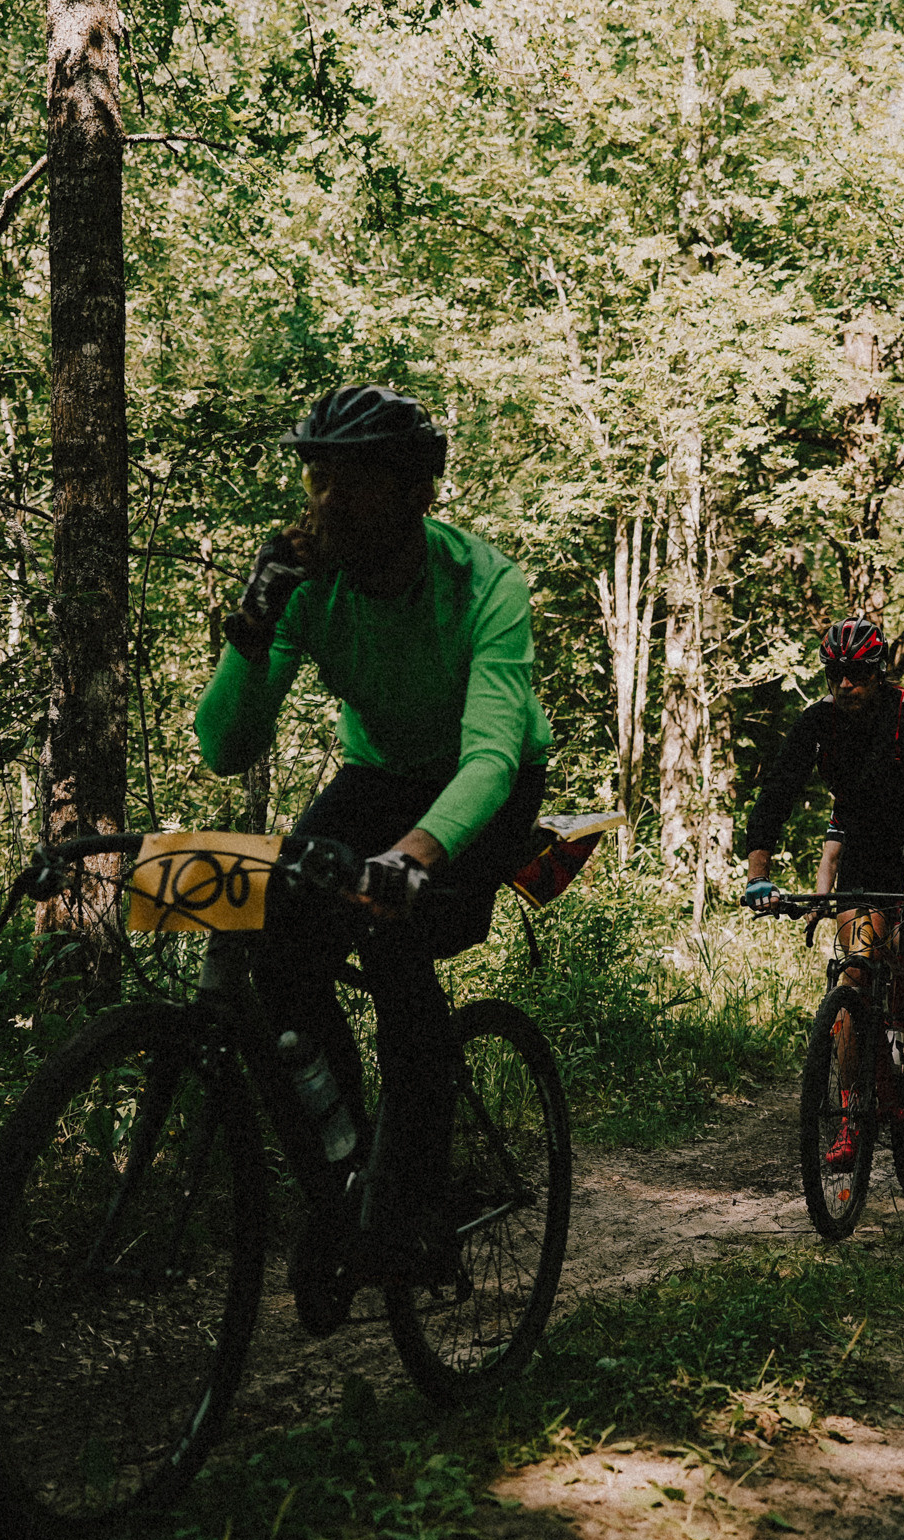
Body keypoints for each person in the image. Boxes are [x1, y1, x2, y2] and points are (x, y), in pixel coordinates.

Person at [195, 383, 554, 1285]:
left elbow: (489, 759)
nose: (322, 503)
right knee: (276, 949)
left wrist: (410, 860)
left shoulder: (486, 585)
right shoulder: (312, 584)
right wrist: (255, 620)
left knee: (396, 944)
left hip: (487, 787)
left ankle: (418, 1203)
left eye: (351, 483)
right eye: (316, 478)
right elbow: (225, 749)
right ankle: (354, 1165)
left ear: (415, 493)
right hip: (378, 776)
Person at [741, 619, 904, 1169]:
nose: (845, 685)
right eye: (835, 674)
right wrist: (758, 874)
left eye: (856, 674)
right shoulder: (818, 722)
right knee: (855, 975)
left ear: (878, 674)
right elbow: (775, 798)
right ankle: (856, 1114)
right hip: (866, 846)